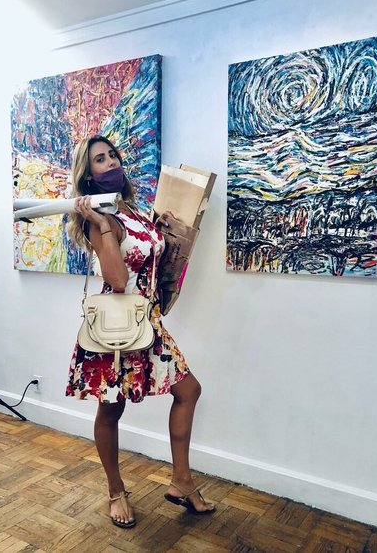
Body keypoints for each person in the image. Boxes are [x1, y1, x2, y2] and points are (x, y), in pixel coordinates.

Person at [66, 135, 215, 529]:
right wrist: (102, 225)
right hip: (116, 325)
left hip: (148, 320)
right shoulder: (100, 219)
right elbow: (117, 280)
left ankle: (181, 481)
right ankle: (116, 490)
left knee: (189, 390)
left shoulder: (132, 210)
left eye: (112, 155)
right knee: (111, 408)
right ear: (89, 176)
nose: (111, 162)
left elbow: (150, 259)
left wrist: (159, 229)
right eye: (100, 159)